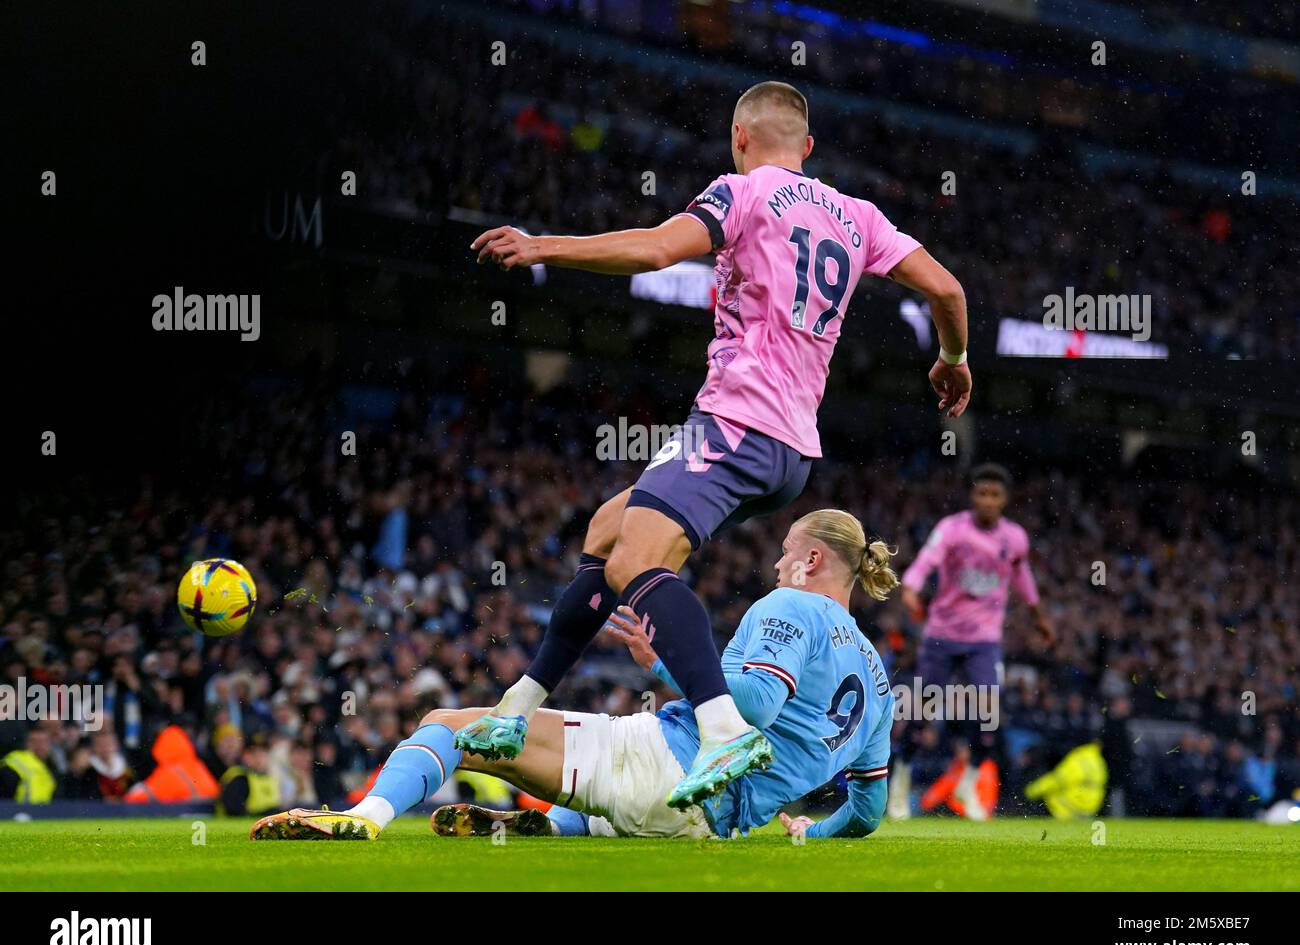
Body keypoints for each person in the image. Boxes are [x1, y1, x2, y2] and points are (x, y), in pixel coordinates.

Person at [460, 79, 970, 809]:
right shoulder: (860, 217)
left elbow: (657, 249)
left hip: (735, 423)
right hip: (791, 449)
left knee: (637, 557)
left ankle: (722, 725)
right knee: (610, 531)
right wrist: (952, 360)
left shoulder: (743, 192)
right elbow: (948, 292)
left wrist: (544, 246)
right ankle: (519, 703)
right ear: (809, 148)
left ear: (739, 139)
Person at [249, 510, 898, 841]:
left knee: (446, 724)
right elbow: (866, 812)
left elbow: (753, 704)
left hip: (667, 764)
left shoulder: (791, 606)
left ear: (813, 558)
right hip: (710, 822)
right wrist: (813, 830)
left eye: (787, 553)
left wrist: (670, 665)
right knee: (603, 805)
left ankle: (363, 817)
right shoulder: (876, 678)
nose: (779, 565)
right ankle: (551, 823)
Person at [896, 463, 1054, 819]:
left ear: (1005, 500)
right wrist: (911, 588)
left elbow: (1022, 575)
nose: (987, 500)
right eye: (981, 493)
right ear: (972, 496)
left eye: (994, 494)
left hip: (984, 639)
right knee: (921, 710)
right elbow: (926, 561)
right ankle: (901, 776)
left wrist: (1039, 617)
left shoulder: (1014, 538)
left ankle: (968, 781)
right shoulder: (952, 529)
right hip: (942, 634)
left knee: (988, 712)